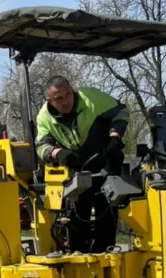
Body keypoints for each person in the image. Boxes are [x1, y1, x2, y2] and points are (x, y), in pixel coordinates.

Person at [34, 76, 128, 253]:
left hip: (105, 161)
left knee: (106, 207)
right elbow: (41, 146)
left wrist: (115, 138)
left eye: (68, 94)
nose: (66, 101)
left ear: (72, 90)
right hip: (76, 168)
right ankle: (78, 253)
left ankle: (105, 251)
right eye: (59, 98)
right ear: (50, 100)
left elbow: (121, 111)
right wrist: (58, 153)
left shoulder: (91, 98)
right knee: (77, 213)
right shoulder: (44, 117)